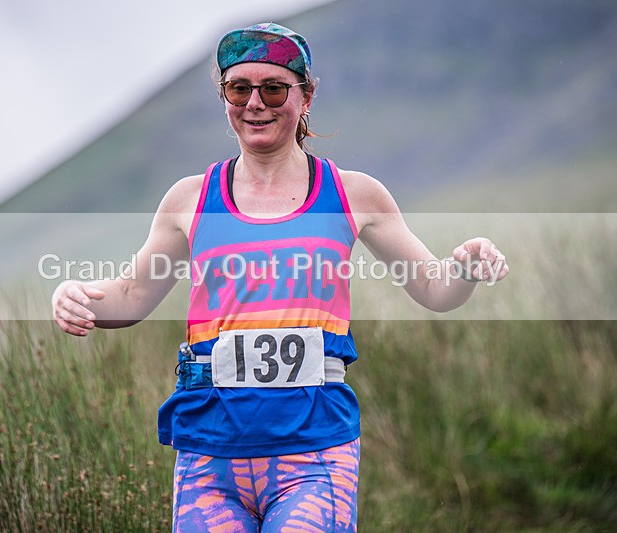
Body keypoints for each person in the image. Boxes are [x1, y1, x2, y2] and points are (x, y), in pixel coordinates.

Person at [52, 22, 508, 533]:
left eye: (273, 88)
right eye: (238, 88)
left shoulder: (355, 194)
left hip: (314, 454)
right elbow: (133, 295)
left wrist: (465, 267)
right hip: (209, 454)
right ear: (224, 96)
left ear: (306, 96)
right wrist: (79, 298)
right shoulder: (188, 199)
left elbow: (433, 288)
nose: (255, 103)